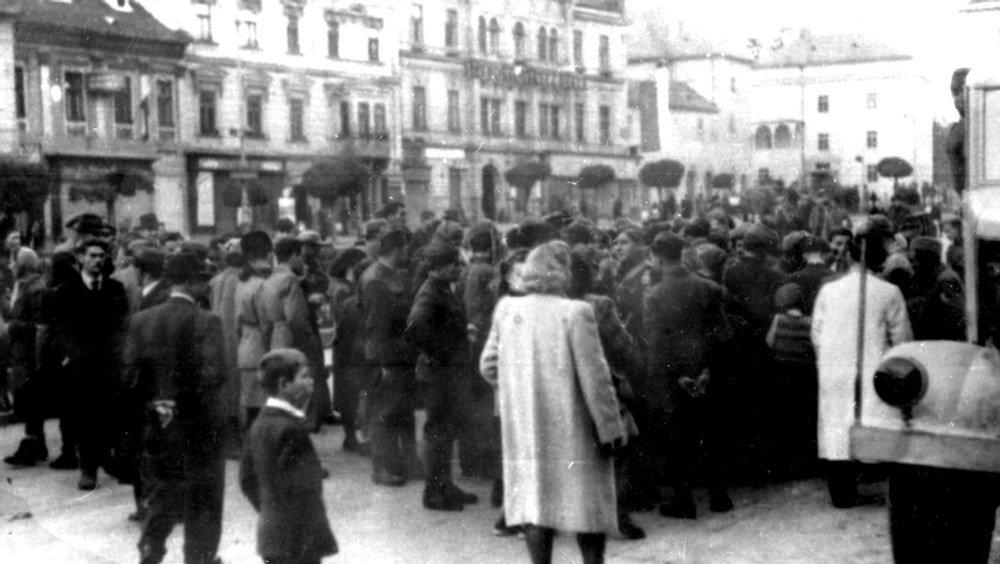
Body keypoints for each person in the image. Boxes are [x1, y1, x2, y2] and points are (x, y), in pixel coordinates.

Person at [481, 241, 626, 564]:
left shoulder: (507, 309)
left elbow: (488, 365)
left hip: (527, 426)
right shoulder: (576, 313)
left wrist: (518, 390)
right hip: (574, 427)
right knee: (588, 508)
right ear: (562, 274)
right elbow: (595, 379)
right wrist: (610, 428)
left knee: (535, 505)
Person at [125, 252, 227, 564]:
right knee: (204, 497)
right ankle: (200, 558)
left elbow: (130, 378)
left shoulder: (141, 320)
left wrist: (157, 404)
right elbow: (214, 375)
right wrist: (180, 402)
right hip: (198, 427)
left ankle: (151, 547)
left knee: (162, 492)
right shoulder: (207, 322)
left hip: (157, 423)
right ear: (196, 282)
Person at [811, 223, 912, 508]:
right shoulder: (890, 292)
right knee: (873, 420)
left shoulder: (829, 291)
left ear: (850, 259)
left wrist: (831, 356)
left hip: (835, 369)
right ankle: (880, 483)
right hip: (874, 369)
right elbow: (903, 339)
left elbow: (816, 334)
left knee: (837, 426)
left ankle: (841, 493)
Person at [644, 232, 732, 519]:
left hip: (675, 377)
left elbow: (656, 342)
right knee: (711, 432)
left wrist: (678, 375)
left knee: (677, 436)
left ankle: (684, 501)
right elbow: (723, 334)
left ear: (657, 257)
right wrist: (706, 369)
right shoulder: (708, 287)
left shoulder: (654, 294)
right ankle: (719, 495)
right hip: (707, 372)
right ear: (682, 254)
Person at [240, 349, 338, 564]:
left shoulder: (258, 424)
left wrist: (270, 513)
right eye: (304, 377)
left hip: (272, 536)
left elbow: (246, 480)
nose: (311, 382)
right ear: (284, 385)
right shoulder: (291, 429)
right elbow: (306, 487)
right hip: (300, 540)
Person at [404, 241, 479, 511]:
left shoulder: (441, 288)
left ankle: (445, 485)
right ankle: (434, 492)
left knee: (446, 432)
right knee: (437, 433)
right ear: (437, 268)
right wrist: (441, 352)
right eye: (453, 264)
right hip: (438, 375)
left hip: (445, 372)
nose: (459, 268)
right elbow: (414, 328)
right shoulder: (430, 292)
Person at [50, 237, 129, 490]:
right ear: (81, 258)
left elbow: (122, 326)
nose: (97, 261)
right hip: (80, 366)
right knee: (83, 417)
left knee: (110, 414)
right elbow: (60, 329)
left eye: (101, 256)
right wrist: (69, 356)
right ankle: (88, 469)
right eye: (92, 256)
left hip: (110, 365)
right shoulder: (66, 291)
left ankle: (108, 458)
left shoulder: (115, 289)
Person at [359, 228, 418, 486]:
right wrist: (382, 363)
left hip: (399, 353)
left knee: (402, 409)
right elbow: (376, 326)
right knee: (383, 412)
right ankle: (381, 468)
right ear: (396, 250)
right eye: (405, 248)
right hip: (385, 355)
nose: (407, 253)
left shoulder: (389, 275)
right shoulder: (376, 280)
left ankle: (405, 463)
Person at [765, 283, 818, 474]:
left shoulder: (778, 319)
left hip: (782, 374)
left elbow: (770, 341)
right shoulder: (808, 321)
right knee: (803, 418)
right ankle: (805, 462)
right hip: (804, 375)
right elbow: (814, 344)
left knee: (784, 417)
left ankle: (785, 462)